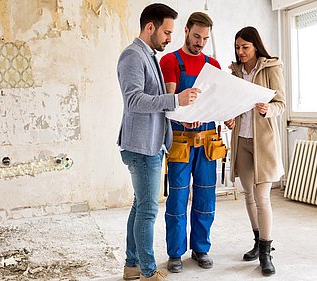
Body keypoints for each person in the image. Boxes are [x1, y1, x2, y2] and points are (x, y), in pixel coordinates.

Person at [116, 4, 201, 281]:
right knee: (149, 210)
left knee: (140, 206)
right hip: (141, 147)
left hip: (149, 143)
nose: (169, 38)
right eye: (166, 32)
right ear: (149, 27)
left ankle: (132, 267)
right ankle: (148, 271)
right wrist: (176, 99)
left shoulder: (148, 54)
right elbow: (134, 100)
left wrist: (180, 114)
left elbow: (155, 101)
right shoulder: (132, 55)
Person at [159, 12, 223, 273]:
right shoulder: (169, 61)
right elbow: (169, 101)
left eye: (205, 38)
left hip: (208, 139)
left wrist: (225, 117)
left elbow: (217, 101)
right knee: (178, 197)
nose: (200, 42)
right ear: (186, 31)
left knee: (206, 196)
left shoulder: (214, 65)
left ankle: (201, 248)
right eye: (196, 36)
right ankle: (175, 253)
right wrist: (185, 120)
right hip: (180, 140)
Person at [224, 26, 286, 277]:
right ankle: (257, 241)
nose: (240, 52)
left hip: (264, 143)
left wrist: (266, 110)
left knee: (262, 197)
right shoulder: (236, 72)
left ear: (255, 46)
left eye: (245, 47)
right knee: (248, 195)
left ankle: (266, 253)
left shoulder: (271, 68)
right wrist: (230, 119)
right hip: (242, 141)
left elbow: (281, 103)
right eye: (237, 47)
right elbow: (233, 105)